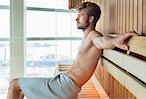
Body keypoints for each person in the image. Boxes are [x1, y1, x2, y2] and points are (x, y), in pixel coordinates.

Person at [7, 2, 137, 99]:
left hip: (64, 87)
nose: (76, 18)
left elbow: (102, 41)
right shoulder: (88, 37)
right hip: (64, 84)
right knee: (21, 91)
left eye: (80, 16)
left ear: (91, 18)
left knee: (14, 84)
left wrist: (116, 40)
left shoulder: (93, 36)